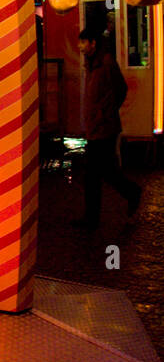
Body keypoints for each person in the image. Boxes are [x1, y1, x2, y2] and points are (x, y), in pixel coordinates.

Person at [74, 27, 141, 228]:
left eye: (83, 42)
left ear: (93, 43)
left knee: (94, 174)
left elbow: (121, 88)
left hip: (104, 128)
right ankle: (129, 194)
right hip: (96, 127)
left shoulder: (106, 63)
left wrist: (106, 112)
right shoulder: (92, 64)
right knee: (103, 172)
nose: (80, 46)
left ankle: (93, 217)